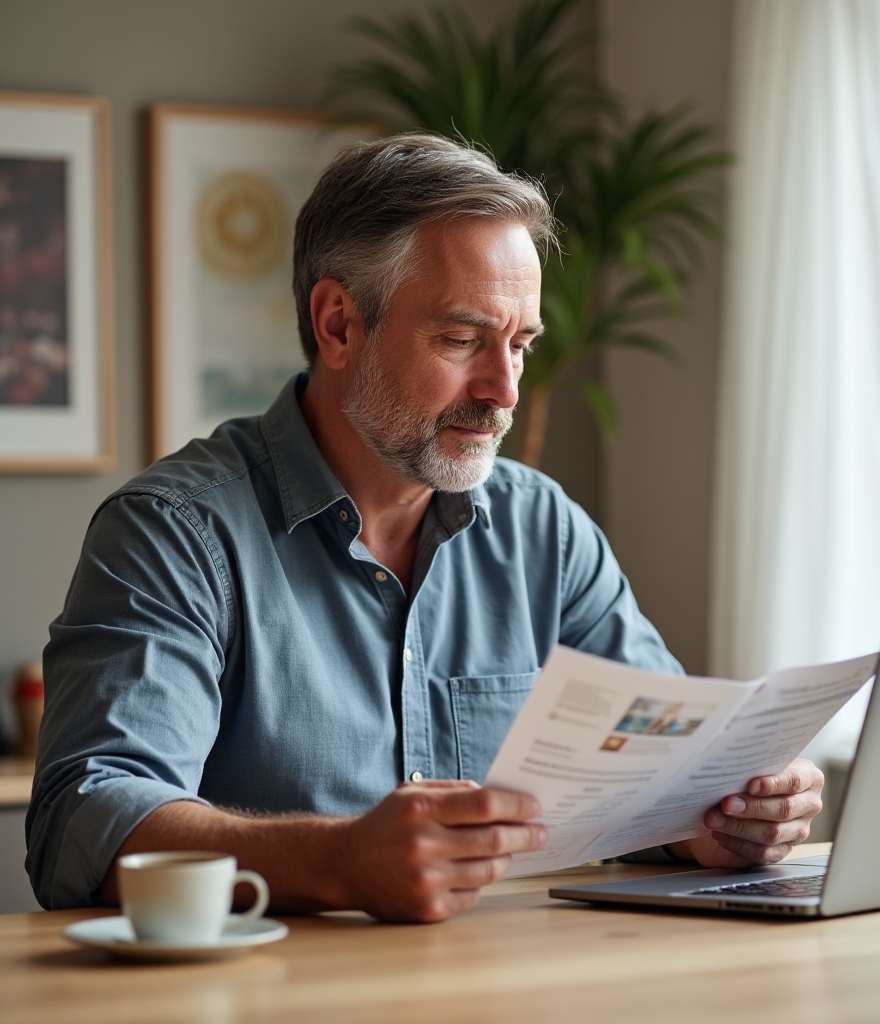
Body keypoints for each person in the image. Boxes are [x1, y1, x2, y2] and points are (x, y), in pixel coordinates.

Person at [28, 135, 824, 922]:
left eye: (520, 345)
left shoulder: (545, 531)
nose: (503, 390)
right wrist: (338, 862)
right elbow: (86, 817)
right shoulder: (174, 534)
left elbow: (666, 776)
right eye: (463, 339)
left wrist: (723, 820)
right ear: (339, 324)